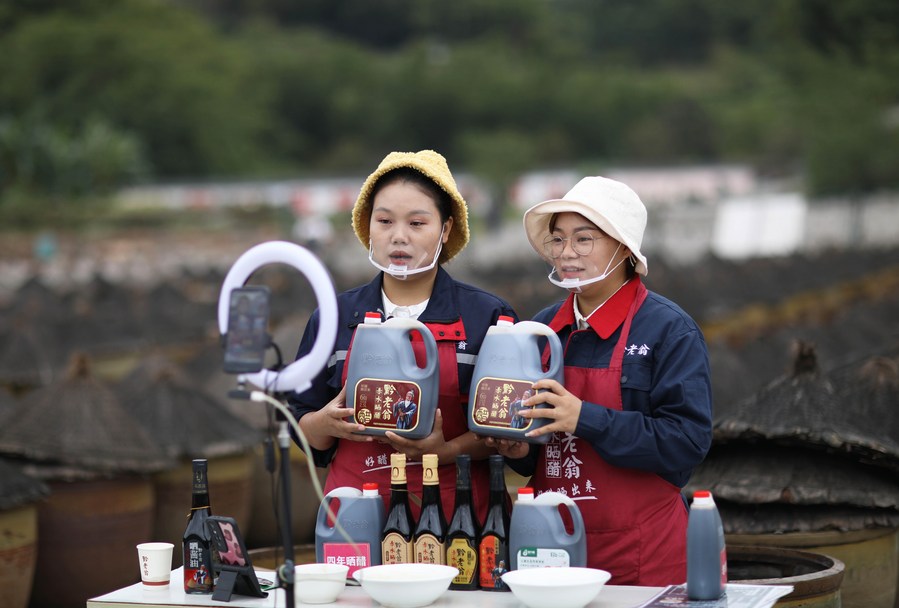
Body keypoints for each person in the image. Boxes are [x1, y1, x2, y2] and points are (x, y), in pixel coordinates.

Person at [488, 176, 712, 586]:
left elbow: (687, 442)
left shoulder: (668, 330)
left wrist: (584, 418)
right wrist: (517, 446)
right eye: (557, 240)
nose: (567, 253)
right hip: (549, 548)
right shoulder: (539, 330)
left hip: (645, 555)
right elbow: (533, 453)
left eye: (584, 239)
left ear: (624, 248)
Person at [289, 149, 518, 521]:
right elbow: (300, 421)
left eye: (417, 224)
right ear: (367, 227)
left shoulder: (488, 317)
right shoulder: (333, 318)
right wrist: (322, 424)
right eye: (384, 221)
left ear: (445, 229)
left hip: (459, 515)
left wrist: (444, 450)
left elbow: (508, 432)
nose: (399, 237)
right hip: (354, 515)